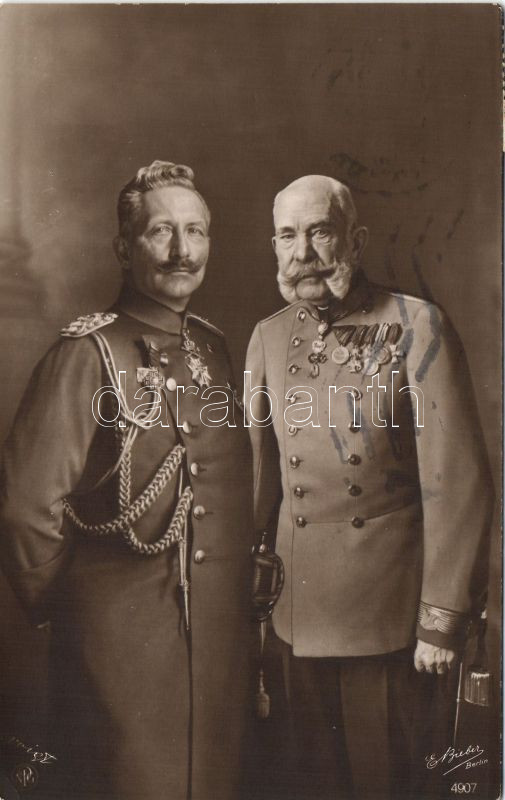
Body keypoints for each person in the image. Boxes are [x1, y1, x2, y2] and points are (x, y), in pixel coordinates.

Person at [0, 160, 254, 800]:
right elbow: (26, 507)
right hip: (118, 654)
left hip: (216, 650)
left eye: (196, 232)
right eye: (161, 231)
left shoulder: (214, 348)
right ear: (123, 247)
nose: (182, 251)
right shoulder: (86, 354)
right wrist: (72, 609)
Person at [245, 175, 493, 800]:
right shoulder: (268, 337)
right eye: (287, 236)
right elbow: (258, 482)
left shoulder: (417, 326)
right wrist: (249, 604)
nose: (302, 252)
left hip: (390, 619)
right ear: (274, 247)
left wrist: (442, 620)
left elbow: (457, 481)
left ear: (354, 240)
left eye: (319, 232)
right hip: (296, 614)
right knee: (309, 784)